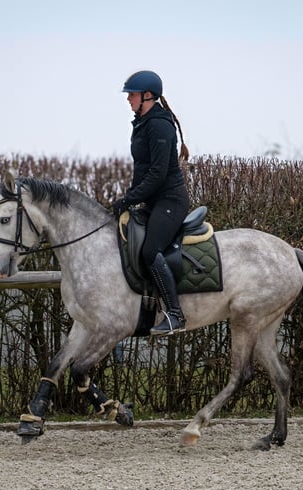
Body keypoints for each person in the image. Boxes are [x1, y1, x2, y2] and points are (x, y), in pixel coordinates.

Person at [112, 70, 190, 336]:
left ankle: (175, 315)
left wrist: (129, 198)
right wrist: (129, 196)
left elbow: (157, 174)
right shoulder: (143, 122)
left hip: (170, 200)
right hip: (153, 201)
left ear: (147, 96)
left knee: (150, 250)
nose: (128, 99)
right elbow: (141, 170)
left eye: (132, 94)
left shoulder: (159, 125)